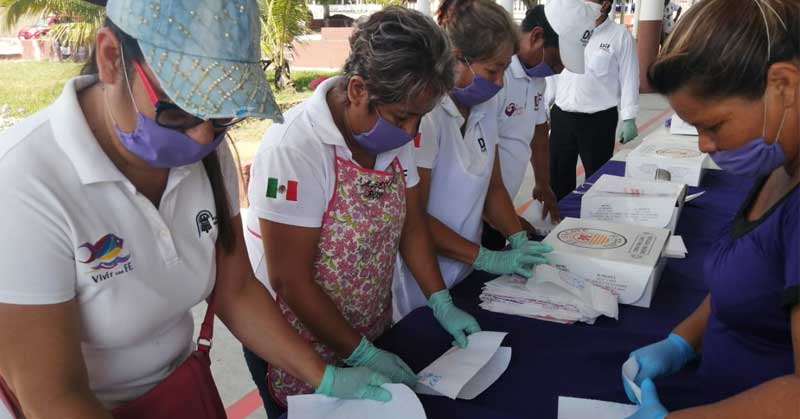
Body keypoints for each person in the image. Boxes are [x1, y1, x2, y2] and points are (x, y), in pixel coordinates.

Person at [0, 1, 400, 417]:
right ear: (111, 58)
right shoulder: (23, 183)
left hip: (179, 390)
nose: (202, 136)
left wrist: (325, 376)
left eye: (224, 114)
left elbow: (236, 289)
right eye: (178, 111)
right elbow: (51, 396)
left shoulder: (206, 153)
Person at [243, 7, 481, 416]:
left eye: (420, 118)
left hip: (370, 326)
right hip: (300, 346)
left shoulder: (393, 134)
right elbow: (290, 279)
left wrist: (440, 300)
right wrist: (361, 354)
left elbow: (411, 227)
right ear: (357, 90)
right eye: (403, 117)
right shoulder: (294, 147)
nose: (411, 132)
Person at [622, 1, 799, 418]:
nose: (703, 145)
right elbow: (750, 284)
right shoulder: (779, 161)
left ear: (784, 86)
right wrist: (682, 342)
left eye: (714, 125)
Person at [392, 0, 565, 319]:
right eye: (492, 70)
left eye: (505, 69)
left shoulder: (485, 106)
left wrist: (516, 237)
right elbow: (413, 219)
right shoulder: (425, 117)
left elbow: (493, 186)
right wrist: (487, 258)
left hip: (464, 269)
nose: (500, 83)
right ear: (457, 59)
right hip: (421, 282)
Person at [484, 2, 599, 250]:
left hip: (501, 202)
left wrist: (543, 182)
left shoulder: (537, 79)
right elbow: (482, 155)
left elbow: (538, 131)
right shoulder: (495, 78)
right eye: (557, 61)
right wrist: (510, 221)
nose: (558, 70)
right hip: (481, 205)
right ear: (536, 37)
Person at [546, 0, 640, 200]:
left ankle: (595, 216)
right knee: (557, 177)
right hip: (562, 116)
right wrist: (545, 106)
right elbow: (555, 73)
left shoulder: (620, 36)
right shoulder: (568, 29)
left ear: (605, 4)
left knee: (598, 180)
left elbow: (629, 77)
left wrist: (629, 117)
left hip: (598, 120)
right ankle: (558, 216)